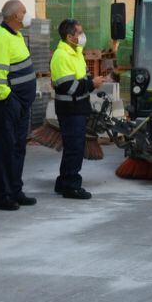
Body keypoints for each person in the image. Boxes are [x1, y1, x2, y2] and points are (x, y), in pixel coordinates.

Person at [0, 0, 38, 211]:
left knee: (17, 149)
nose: (27, 15)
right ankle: (2, 195)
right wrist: (8, 99)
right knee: (4, 150)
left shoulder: (15, 35)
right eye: (24, 12)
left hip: (20, 105)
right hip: (7, 105)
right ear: (15, 16)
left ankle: (15, 190)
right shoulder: (1, 37)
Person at [50, 19, 106, 199]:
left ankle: (63, 182)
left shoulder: (76, 52)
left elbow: (82, 76)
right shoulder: (61, 56)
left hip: (78, 107)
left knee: (73, 147)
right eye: (79, 33)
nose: (82, 36)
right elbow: (70, 87)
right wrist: (91, 84)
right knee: (74, 148)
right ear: (69, 36)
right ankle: (71, 186)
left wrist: (91, 81)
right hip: (70, 109)